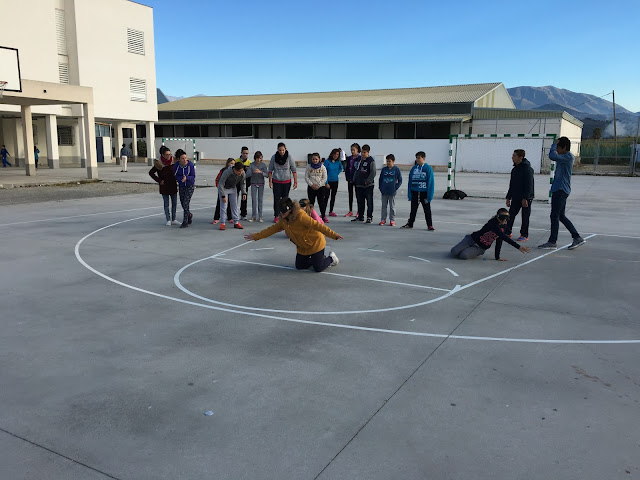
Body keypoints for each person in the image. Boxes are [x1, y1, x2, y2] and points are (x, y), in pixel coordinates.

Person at [244, 198, 342, 272]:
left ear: (290, 209)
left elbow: (318, 226)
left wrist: (334, 235)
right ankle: (319, 259)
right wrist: (256, 236)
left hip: (316, 243)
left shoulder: (301, 216)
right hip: (302, 247)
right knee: (300, 266)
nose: (281, 214)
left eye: (283, 212)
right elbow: (272, 229)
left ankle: (331, 258)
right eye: (280, 212)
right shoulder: (283, 220)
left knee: (318, 268)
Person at [538, 137, 586, 250]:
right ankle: (576, 237)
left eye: (559, 147)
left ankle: (552, 241)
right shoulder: (564, 157)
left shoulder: (568, 156)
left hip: (561, 190)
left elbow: (552, 156)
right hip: (559, 189)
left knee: (554, 215)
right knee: (560, 216)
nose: (557, 150)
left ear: (564, 147)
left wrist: (554, 145)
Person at [451, 208, 531, 260]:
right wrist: (518, 247)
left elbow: (499, 240)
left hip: (480, 247)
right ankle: (466, 247)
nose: (505, 221)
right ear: (498, 217)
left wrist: (497, 257)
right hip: (471, 239)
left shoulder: (504, 226)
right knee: (454, 252)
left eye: (507, 219)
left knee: (463, 256)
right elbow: (503, 236)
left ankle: (474, 251)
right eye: (503, 219)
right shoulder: (492, 223)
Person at [505, 149, 534, 241]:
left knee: (525, 216)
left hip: (526, 197)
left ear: (520, 158)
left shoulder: (528, 169)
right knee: (510, 215)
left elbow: (529, 184)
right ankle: (507, 232)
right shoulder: (514, 169)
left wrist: (526, 198)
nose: (512, 157)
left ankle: (524, 235)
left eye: (514, 156)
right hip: (516, 196)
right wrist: (508, 197)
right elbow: (512, 184)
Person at [402, 151, 435, 231]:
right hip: (415, 192)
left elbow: (430, 182)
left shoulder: (428, 168)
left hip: (424, 193)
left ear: (423, 158)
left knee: (427, 209)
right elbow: (410, 181)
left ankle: (430, 225)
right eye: (416, 158)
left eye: (418, 158)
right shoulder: (413, 169)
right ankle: (410, 223)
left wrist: (429, 196)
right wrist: (410, 194)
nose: (417, 160)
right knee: (413, 209)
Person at [149, 146, 179, 226]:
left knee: (174, 203)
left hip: (173, 185)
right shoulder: (159, 163)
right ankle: (168, 219)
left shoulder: (174, 161)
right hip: (164, 186)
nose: (169, 156)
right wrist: (159, 180)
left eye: (170, 154)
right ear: (162, 155)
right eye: (167, 154)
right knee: (166, 204)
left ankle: (174, 219)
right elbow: (151, 173)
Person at [268, 142, 297, 223]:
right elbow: (270, 170)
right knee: (277, 199)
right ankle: (276, 215)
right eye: (280, 150)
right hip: (276, 182)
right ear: (277, 150)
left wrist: (295, 181)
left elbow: (294, 170)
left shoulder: (289, 157)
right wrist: (270, 182)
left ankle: (284, 214)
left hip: (286, 182)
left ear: (285, 149)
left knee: (285, 199)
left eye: (283, 150)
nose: (282, 152)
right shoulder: (274, 157)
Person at [217, 161, 247, 230]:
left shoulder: (242, 174)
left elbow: (243, 183)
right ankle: (222, 223)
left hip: (233, 188)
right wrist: (223, 196)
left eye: (242, 171)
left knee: (235, 205)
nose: (241, 172)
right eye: (239, 171)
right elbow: (221, 183)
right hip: (224, 188)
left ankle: (236, 222)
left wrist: (244, 193)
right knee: (224, 205)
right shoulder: (227, 172)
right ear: (235, 170)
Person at [352, 144, 376, 223]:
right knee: (360, 201)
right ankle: (360, 216)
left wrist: (368, 181)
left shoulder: (371, 161)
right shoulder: (359, 160)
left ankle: (369, 217)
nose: (362, 154)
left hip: (368, 185)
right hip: (359, 184)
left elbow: (373, 172)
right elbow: (357, 170)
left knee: (369, 201)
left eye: (364, 152)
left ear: (368, 152)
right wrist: (354, 180)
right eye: (362, 152)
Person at [173, 149, 196, 228]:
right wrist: (180, 179)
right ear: (179, 159)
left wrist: (187, 178)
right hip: (182, 186)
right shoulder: (176, 165)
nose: (185, 160)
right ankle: (189, 214)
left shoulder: (190, 165)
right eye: (182, 158)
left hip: (190, 186)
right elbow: (175, 176)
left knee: (186, 202)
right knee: (183, 203)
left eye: (185, 158)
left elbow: (193, 176)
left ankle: (185, 221)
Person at [378, 154, 402, 226]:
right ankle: (383, 219)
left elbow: (400, 180)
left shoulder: (396, 169)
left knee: (392, 206)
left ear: (393, 161)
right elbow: (380, 179)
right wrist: (381, 188)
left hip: (392, 192)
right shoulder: (384, 169)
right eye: (387, 161)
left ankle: (392, 219)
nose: (388, 163)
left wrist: (395, 187)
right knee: (384, 206)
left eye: (390, 161)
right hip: (384, 191)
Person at [305, 152, 329, 222]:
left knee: (321, 202)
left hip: (320, 188)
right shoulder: (308, 167)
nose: (315, 160)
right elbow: (306, 177)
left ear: (319, 159)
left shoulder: (322, 167)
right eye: (313, 159)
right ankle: (310, 215)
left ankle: (323, 216)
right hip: (311, 187)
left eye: (316, 159)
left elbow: (324, 178)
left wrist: (318, 185)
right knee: (311, 203)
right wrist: (311, 184)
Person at [247, 151, 268, 222]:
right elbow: (247, 174)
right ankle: (253, 216)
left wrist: (261, 172)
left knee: (260, 200)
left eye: (260, 158)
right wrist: (253, 172)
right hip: (253, 183)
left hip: (261, 183)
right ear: (255, 158)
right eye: (257, 158)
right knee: (254, 200)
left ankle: (260, 216)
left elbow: (267, 175)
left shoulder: (263, 165)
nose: (259, 160)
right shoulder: (251, 165)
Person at [212, 158, 235, 224]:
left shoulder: (234, 171)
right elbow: (217, 179)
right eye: (231, 163)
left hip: (230, 189)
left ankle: (230, 217)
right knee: (219, 203)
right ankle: (216, 218)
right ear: (228, 164)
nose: (232, 165)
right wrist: (219, 187)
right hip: (222, 190)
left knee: (230, 204)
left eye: (233, 164)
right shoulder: (223, 170)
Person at [325, 148, 343, 217]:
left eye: (337, 154)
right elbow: (324, 172)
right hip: (328, 181)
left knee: (333, 196)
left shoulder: (338, 162)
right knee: (326, 197)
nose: (336, 155)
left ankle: (331, 211)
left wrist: (336, 173)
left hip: (335, 181)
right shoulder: (327, 161)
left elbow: (341, 168)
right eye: (335, 154)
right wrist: (326, 182)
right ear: (332, 154)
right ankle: (323, 211)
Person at [343, 143, 361, 217]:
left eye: (354, 150)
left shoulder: (360, 158)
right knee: (350, 195)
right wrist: (348, 178)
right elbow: (346, 168)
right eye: (351, 150)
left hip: (357, 180)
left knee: (358, 195)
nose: (352, 151)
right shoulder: (349, 158)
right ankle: (350, 210)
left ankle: (359, 211)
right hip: (349, 179)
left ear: (357, 150)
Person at [236, 146, 252, 220]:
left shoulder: (249, 162)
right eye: (244, 153)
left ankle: (243, 214)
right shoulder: (236, 161)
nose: (245, 155)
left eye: (246, 153)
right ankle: (232, 214)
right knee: (234, 199)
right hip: (236, 183)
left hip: (245, 184)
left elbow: (251, 174)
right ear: (241, 153)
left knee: (244, 199)